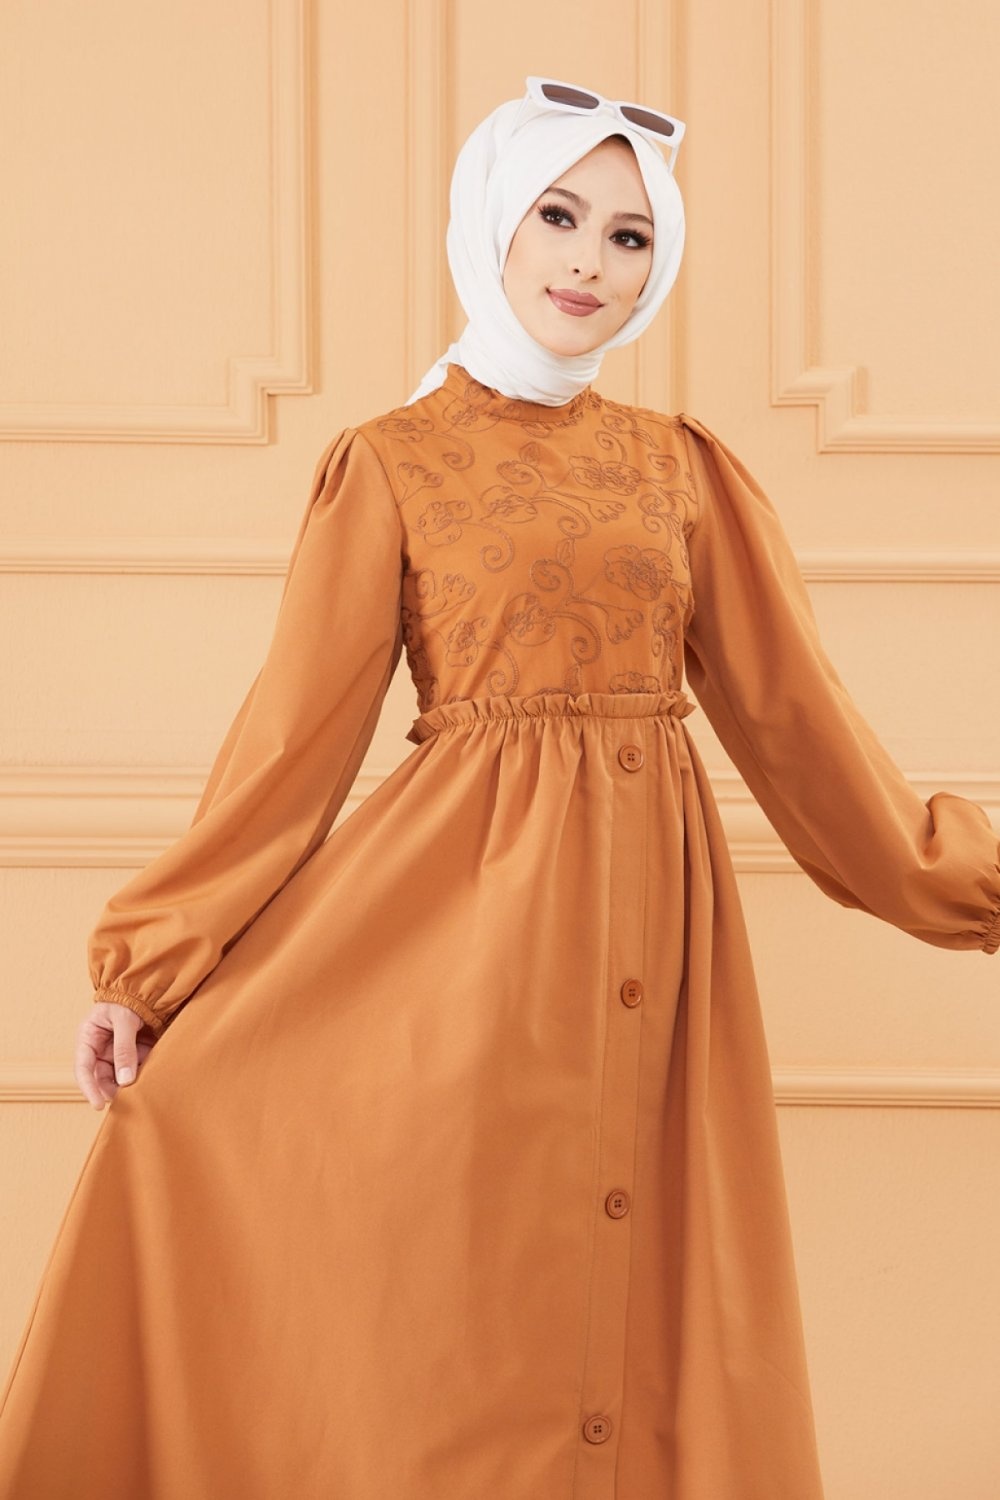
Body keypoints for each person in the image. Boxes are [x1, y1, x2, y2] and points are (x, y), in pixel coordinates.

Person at [1, 74, 997, 1500]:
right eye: (559, 217)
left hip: (649, 935)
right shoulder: (391, 463)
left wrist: (964, 885)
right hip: (450, 947)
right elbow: (293, 741)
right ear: (494, 225)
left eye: (630, 237)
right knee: (460, 1308)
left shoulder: (681, 470)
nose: (589, 262)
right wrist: (149, 965)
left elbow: (800, 728)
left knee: (627, 1301)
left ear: (657, 267)